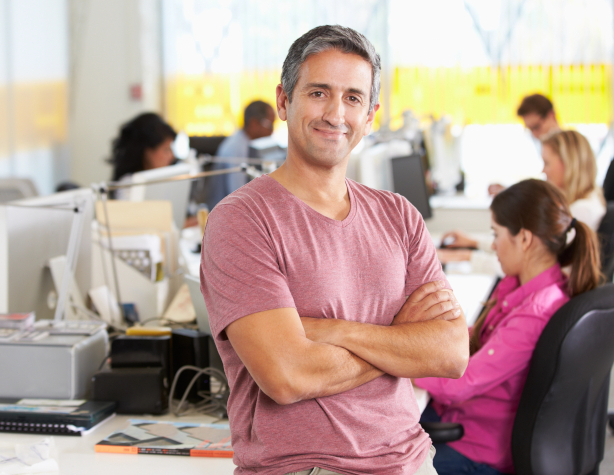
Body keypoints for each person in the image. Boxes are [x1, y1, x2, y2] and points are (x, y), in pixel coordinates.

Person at [200, 25, 469, 475]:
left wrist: (330, 331)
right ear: (284, 101)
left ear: (370, 114)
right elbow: (288, 377)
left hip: (413, 461)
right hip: (309, 468)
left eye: (352, 98)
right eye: (319, 92)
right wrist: (400, 337)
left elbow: (450, 352)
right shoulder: (242, 220)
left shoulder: (399, 216)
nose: (335, 113)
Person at [417, 179, 601, 475]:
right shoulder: (522, 287)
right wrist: (424, 338)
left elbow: (462, 384)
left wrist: (405, 365)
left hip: (477, 449)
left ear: (525, 240)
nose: (492, 244)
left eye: (496, 234)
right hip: (464, 420)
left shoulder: (536, 313)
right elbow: (479, 336)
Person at [439, 129, 604, 268]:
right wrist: (474, 243)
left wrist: (464, 256)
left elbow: (530, 265)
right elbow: (522, 250)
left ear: (569, 164)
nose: (543, 171)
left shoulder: (581, 212)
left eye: (547, 163)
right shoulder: (586, 201)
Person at [204, 100, 276, 209]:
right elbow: (238, 194)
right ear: (254, 123)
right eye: (269, 124)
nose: (272, 131)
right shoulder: (237, 149)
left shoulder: (242, 142)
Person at [488, 94, 561, 195]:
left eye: (536, 127)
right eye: (530, 129)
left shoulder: (570, 147)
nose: (534, 134)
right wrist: (511, 192)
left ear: (551, 115)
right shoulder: (545, 146)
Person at [109, 112, 176, 198]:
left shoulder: (164, 180)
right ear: (147, 152)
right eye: (166, 150)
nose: (172, 156)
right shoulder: (129, 188)